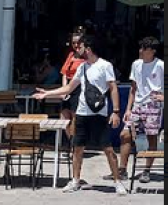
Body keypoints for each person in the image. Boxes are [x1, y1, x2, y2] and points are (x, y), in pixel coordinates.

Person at [33, 36, 127, 196]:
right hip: (82, 112)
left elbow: (113, 88)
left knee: (108, 149)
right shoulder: (82, 68)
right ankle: (75, 180)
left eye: (81, 47)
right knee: (77, 148)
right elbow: (69, 88)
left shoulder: (105, 66)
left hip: (99, 113)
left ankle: (118, 182)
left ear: (88, 49)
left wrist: (116, 111)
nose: (77, 49)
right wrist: (47, 93)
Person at [105, 37, 164, 183]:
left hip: (153, 105)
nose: (141, 51)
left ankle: (146, 170)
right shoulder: (136, 64)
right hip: (138, 104)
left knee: (151, 137)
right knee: (125, 135)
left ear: (153, 51)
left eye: (145, 49)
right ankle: (122, 169)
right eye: (141, 48)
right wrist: (128, 109)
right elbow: (133, 87)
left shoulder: (161, 65)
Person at [59, 32, 87, 140]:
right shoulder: (71, 55)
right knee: (64, 118)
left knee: (75, 118)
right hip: (68, 87)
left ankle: (75, 145)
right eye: (73, 43)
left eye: (79, 42)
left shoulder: (86, 57)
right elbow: (64, 73)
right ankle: (71, 141)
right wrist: (64, 90)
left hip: (79, 87)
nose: (76, 45)